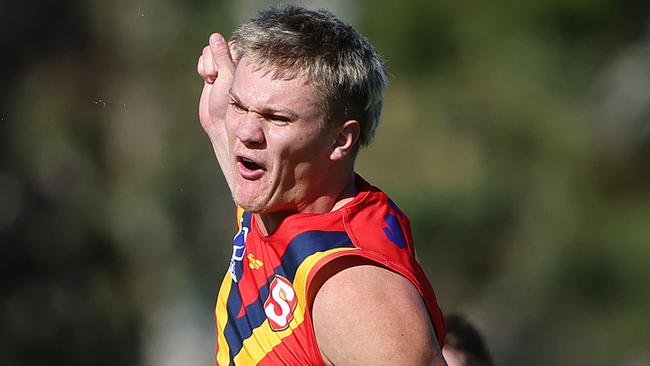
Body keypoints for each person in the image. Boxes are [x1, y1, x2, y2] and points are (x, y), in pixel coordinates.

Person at [197, 5, 446, 365]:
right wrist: (220, 107)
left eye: (277, 118)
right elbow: (228, 126)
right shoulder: (274, 186)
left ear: (340, 140)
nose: (246, 134)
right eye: (240, 105)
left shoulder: (350, 293)